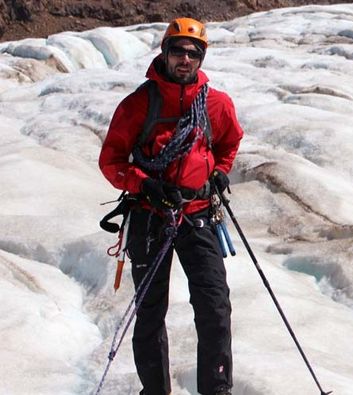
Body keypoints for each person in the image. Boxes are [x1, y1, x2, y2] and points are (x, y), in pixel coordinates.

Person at [98, 17, 243, 395]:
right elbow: (111, 161)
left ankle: (217, 389)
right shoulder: (138, 105)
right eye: (178, 51)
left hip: (197, 213)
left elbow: (229, 142)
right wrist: (144, 183)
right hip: (150, 215)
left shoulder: (216, 104)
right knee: (150, 311)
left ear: (201, 58)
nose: (185, 59)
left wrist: (220, 172)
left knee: (215, 307)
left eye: (194, 53)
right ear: (164, 52)